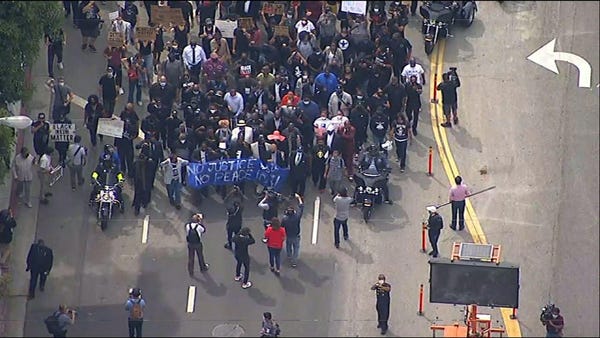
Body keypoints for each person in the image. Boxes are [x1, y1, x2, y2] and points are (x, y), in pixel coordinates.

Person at [281, 194, 304, 267]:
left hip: (288, 235)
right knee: (296, 248)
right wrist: (299, 198)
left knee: (288, 246)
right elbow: (301, 207)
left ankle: (289, 256)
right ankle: (294, 261)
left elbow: (282, 226)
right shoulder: (297, 217)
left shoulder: (285, 219)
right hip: (296, 235)